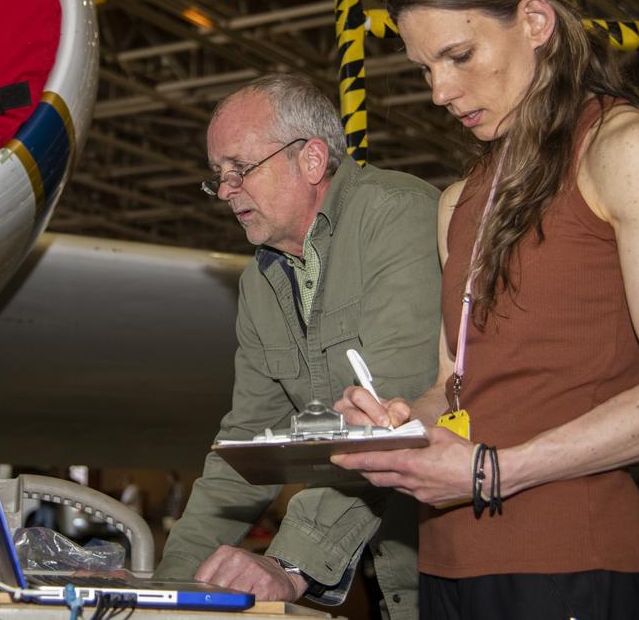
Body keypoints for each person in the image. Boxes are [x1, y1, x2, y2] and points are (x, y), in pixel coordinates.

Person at [331, 0, 639, 619]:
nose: (439, 90)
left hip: (575, 565)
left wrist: (493, 470)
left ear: (536, 20)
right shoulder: (459, 201)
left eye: (458, 56)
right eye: (426, 68)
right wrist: (399, 423)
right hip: (449, 568)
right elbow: (455, 386)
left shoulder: (624, 148)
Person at [154, 74, 441, 619]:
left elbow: (392, 420)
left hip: (462, 566)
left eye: (241, 169)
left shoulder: (397, 217)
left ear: (311, 160)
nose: (226, 190)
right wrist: (169, 592)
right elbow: (245, 443)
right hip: (392, 578)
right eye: (218, 175)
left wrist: (288, 565)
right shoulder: (261, 281)